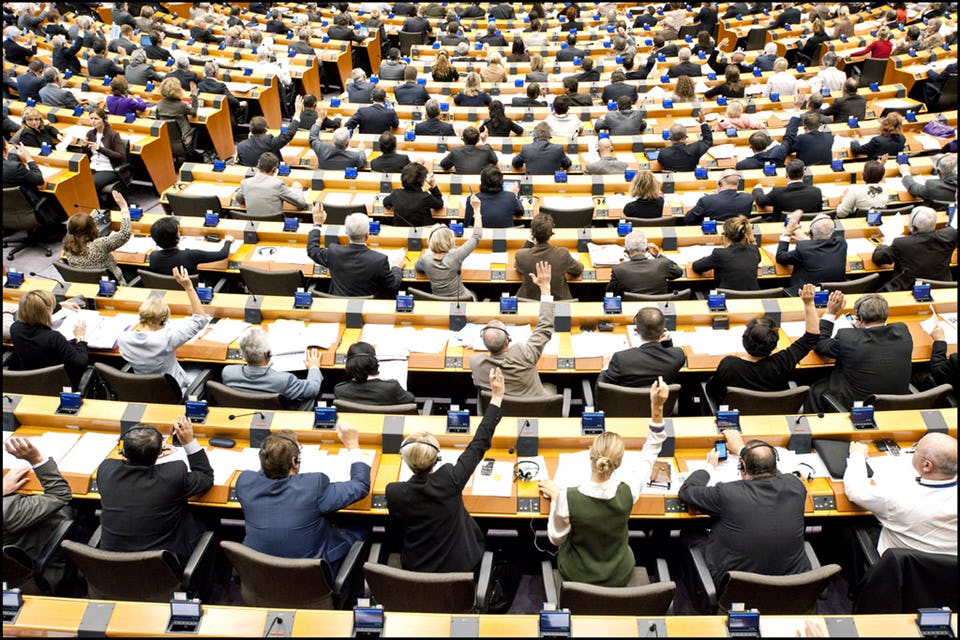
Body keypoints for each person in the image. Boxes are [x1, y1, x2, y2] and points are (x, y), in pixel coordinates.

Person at [539, 382, 671, 587]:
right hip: (619, 572)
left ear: (590, 455)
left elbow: (556, 539)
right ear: (618, 463)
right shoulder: (629, 490)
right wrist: (657, 406)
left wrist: (556, 499)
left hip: (577, 574)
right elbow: (652, 448)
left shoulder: (567, 497)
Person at [385, 367, 503, 572]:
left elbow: (398, 530)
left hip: (416, 566)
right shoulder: (449, 478)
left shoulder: (395, 492)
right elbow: (479, 443)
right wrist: (496, 397)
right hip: (462, 564)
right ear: (436, 459)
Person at [678, 429, 812, 586]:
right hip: (793, 586)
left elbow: (686, 491)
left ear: (742, 466)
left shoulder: (728, 493)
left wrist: (709, 466)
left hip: (736, 588)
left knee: (690, 533)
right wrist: (743, 450)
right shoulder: (796, 485)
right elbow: (775, 473)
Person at [235, 424, 369, 569]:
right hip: (313, 580)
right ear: (294, 462)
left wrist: (273, 460)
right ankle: (354, 587)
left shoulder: (245, 482)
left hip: (260, 575)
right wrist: (353, 446)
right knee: (362, 526)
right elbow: (360, 485)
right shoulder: (314, 486)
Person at [97, 417, 213, 567]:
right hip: (162, 569)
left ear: (123, 451)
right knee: (208, 519)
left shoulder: (106, 471)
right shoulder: (173, 475)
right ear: (160, 452)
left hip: (112, 569)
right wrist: (189, 443)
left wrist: (140, 453)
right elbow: (205, 477)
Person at [844, 433, 957, 556]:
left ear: (926, 465)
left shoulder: (897, 497)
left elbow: (856, 491)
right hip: (948, 571)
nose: (913, 449)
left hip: (899, 567)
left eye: (915, 449)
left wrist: (857, 454)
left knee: (845, 528)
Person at [708, 284, 820, 399]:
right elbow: (811, 337)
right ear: (774, 343)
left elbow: (712, 391)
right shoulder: (782, 362)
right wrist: (809, 304)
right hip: (776, 413)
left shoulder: (729, 364)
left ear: (744, 340)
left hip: (737, 415)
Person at [809, 292, 913, 412]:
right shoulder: (902, 331)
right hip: (896, 404)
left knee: (816, 388)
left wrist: (830, 313)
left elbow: (820, 344)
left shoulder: (847, 337)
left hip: (859, 407)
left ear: (861, 318)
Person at [118, 267, 211, 393]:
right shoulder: (167, 339)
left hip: (144, 389)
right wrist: (188, 287)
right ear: (163, 319)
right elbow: (200, 319)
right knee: (199, 369)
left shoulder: (123, 339)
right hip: (174, 390)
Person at [471, 262, 556, 396]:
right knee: (551, 387)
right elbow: (545, 327)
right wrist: (545, 287)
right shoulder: (523, 354)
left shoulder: (477, 364)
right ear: (507, 341)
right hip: (536, 407)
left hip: (501, 411)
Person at [3, 436, 72, 592]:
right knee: (67, 512)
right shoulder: (8, 510)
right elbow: (60, 495)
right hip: (28, 575)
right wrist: (36, 459)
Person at [307, 210, 404, 298]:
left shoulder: (334, 252)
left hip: (338, 306)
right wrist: (396, 267)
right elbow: (393, 286)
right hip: (368, 308)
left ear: (346, 233)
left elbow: (312, 250)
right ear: (367, 235)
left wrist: (317, 225)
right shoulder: (379, 260)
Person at [10, 289, 88, 387]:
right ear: (46, 312)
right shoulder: (54, 338)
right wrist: (80, 338)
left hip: (29, 380)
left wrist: (62, 305)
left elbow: (33, 310)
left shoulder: (15, 329)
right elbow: (81, 363)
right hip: (60, 384)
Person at [222, 327, 322, 403]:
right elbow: (313, 389)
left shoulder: (228, 372)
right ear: (266, 354)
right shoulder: (284, 380)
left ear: (243, 356)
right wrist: (314, 367)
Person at [872, 206, 957, 290]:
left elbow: (878, 258)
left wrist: (884, 245)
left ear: (913, 227)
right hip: (942, 287)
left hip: (909, 289)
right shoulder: (950, 235)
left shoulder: (902, 243)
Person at [416, 198, 482, 300]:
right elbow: (476, 236)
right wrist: (477, 211)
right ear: (451, 241)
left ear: (430, 241)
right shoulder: (456, 255)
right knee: (473, 292)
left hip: (438, 302)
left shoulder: (425, 259)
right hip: (462, 299)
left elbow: (418, 267)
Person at [64, 190, 132, 284]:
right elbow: (125, 233)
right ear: (92, 227)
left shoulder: (67, 242)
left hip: (87, 285)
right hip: (112, 286)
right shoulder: (99, 245)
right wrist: (124, 207)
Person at [515, 215, 583, 300]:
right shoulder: (562, 254)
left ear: (532, 233)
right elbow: (578, 270)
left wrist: (530, 240)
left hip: (530, 305)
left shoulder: (521, 255)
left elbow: (517, 264)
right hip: (558, 306)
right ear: (551, 233)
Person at [776, 212, 847, 293]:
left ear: (811, 233)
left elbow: (780, 257)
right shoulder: (841, 243)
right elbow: (820, 247)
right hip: (834, 293)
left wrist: (787, 232)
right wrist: (807, 240)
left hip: (806, 294)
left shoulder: (803, 248)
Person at [233, 152, 313, 219]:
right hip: (276, 226)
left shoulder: (245, 183)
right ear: (274, 169)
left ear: (258, 165)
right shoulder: (278, 184)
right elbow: (301, 203)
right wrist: (297, 190)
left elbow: (239, 200)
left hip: (254, 227)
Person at [692, 215, 761, 290]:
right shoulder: (754, 250)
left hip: (726, 299)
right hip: (752, 298)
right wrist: (751, 237)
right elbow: (757, 257)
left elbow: (696, 266)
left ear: (726, 235)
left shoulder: (720, 254)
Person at [334, 341, 415, 405]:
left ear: (349, 365)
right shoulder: (392, 388)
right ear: (375, 362)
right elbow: (411, 400)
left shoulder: (340, 390)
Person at [148, 217, 235, 275]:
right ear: (177, 237)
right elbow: (222, 254)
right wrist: (228, 241)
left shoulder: (153, 256)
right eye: (178, 231)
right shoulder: (190, 255)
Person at [606, 231, 683, 297]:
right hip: (658, 309)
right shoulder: (662, 263)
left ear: (626, 250)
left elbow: (610, 293)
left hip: (631, 310)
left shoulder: (619, 269)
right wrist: (658, 255)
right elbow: (678, 272)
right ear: (647, 249)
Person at [79, 107, 130, 202]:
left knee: (91, 185)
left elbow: (121, 157)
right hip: (93, 166)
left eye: (96, 119)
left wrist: (100, 149)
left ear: (103, 119)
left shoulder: (113, 135)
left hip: (109, 168)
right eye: (91, 119)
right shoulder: (90, 133)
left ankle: (99, 208)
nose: (93, 121)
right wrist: (84, 147)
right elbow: (85, 156)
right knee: (78, 182)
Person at [237, 97, 303, 167]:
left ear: (250, 130)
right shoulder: (271, 142)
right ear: (266, 128)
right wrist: (297, 113)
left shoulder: (241, 146)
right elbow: (289, 134)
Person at [752, 159, 822, 221]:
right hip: (807, 227)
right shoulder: (816, 192)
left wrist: (758, 189)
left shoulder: (777, 192)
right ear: (804, 173)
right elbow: (819, 212)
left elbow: (760, 201)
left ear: (786, 174)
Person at [383, 162, 444, 227]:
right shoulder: (426, 197)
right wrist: (433, 186)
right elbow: (440, 203)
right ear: (422, 181)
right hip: (423, 233)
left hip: (400, 233)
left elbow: (385, 202)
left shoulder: (396, 194)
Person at [684, 169, 755, 225]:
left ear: (720, 183)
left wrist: (713, 197)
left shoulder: (706, 200)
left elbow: (688, 219)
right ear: (738, 184)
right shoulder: (748, 198)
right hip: (737, 235)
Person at [156, 77, 198, 157]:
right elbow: (194, 112)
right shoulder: (181, 106)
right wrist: (194, 95)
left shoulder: (159, 104)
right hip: (184, 138)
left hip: (166, 139)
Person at [198, 60, 248, 127]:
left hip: (210, 113)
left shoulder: (200, 84)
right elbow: (233, 101)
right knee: (244, 103)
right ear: (214, 73)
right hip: (223, 115)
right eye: (218, 70)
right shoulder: (220, 86)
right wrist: (239, 103)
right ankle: (238, 130)